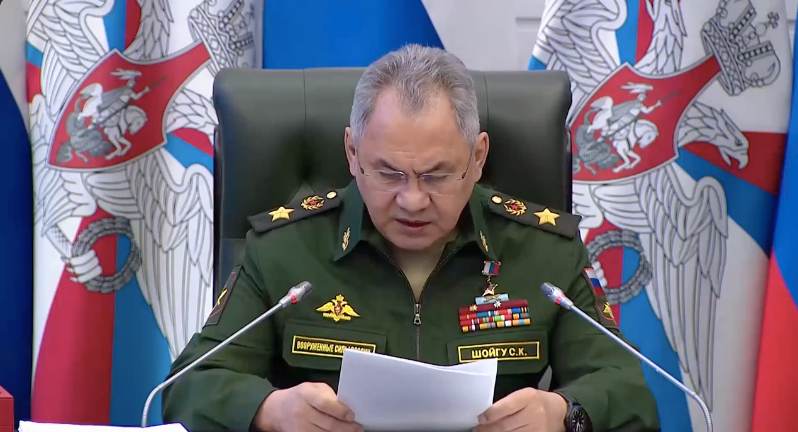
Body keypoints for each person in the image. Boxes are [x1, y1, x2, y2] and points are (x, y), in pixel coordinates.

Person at [162, 44, 659, 432]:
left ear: (478, 158)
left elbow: (630, 394)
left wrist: (564, 413)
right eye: (388, 173)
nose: (413, 200)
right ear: (352, 153)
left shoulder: (544, 251)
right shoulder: (284, 249)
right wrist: (271, 410)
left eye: (436, 175)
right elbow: (189, 386)